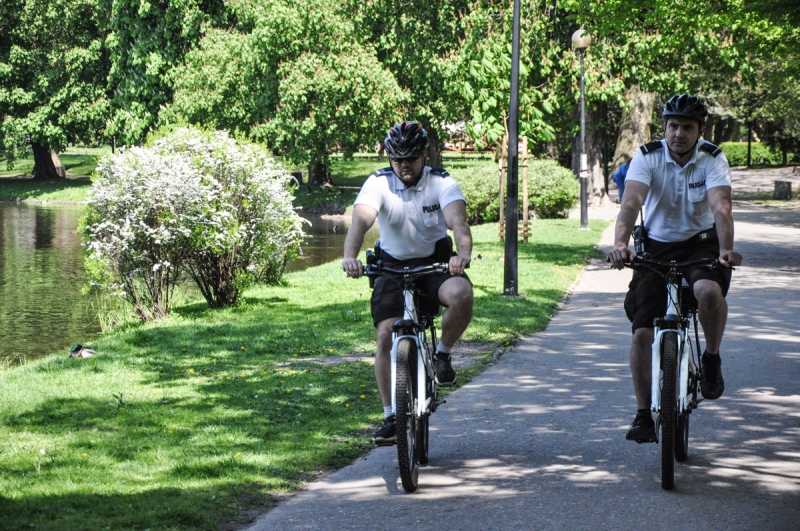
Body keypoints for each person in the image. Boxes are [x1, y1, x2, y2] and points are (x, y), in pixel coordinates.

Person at [607, 94, 743, 443]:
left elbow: (721, 208)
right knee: (642, 333)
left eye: (687, 127)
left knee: (707, 291)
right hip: (656, 246)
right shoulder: (648, 156)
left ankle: (711, 359)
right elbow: (630, 204)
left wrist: (726, 249)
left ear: (700, 131)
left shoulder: (712, 157)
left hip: (701, 244)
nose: (679, 133)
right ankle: (643, 415)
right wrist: (620, 243)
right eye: (673, 126)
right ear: (664, 127)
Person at [342, 121, 474, 445]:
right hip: (391, 268)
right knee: (385, 334)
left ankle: (442, 355)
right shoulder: (379, 183)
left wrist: (463, 255)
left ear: (424, 155)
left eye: (410, 158)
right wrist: (350, 257)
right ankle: (391, 416)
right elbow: (360, 222)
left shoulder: (441, 182)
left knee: (461, 293)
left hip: (434, 265)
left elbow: (458, 223)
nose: (404, 165)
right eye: (397, 158)